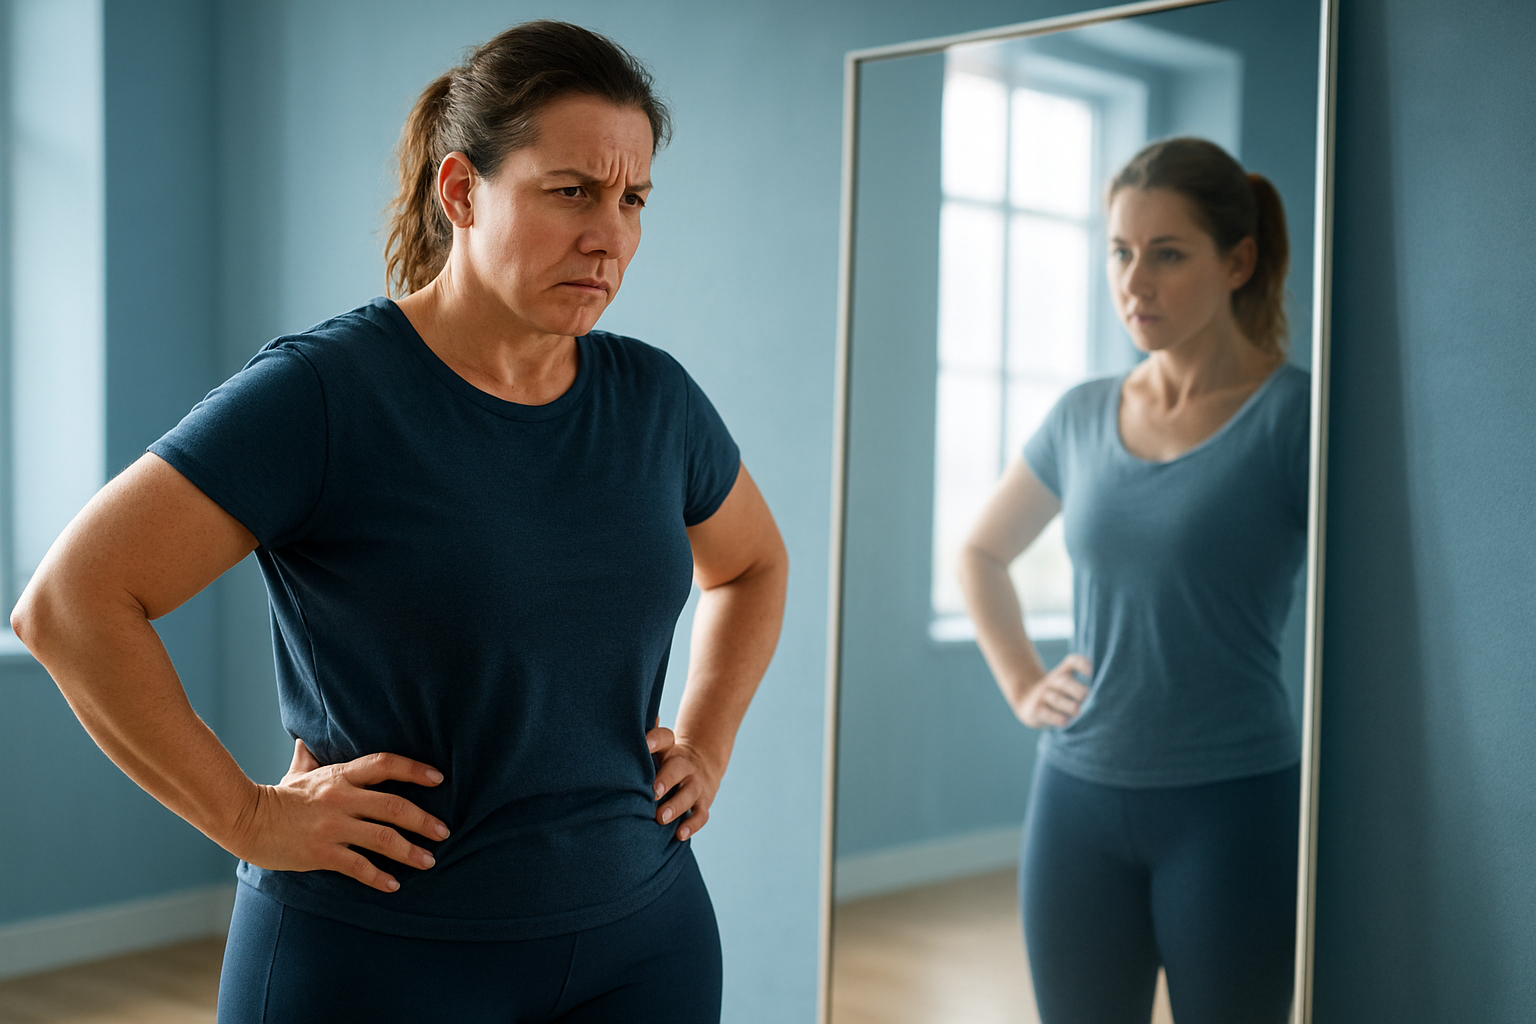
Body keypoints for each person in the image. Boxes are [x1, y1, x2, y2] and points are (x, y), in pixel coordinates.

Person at [10, 21, 787, 1024]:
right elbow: (73, 604)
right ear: (460, 191)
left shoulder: (656, 402)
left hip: (645, 942)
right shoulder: (326, 395)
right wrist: (247, 816)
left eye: (632, 198)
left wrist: (710, 741)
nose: (611, 234)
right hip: (378, 957)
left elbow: (753, 564)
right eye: (572, 191)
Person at [957, 136, 1307, 1024]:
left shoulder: (1297, 417)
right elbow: (981, 553)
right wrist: (1022, 681)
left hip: (1233, 808)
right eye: (1120, 252)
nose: (1135, 282)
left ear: (1239, 261)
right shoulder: (1081, 414)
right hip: (1076, 799)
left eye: (1168, 254)